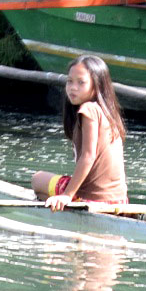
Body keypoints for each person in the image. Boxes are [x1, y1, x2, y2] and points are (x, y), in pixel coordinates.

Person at [32, 55, 127, 211]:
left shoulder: (88, 110)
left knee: (37, 179)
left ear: (97, 86)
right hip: (119, 201)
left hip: (94, 200)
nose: (72, 87)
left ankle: (65, 205)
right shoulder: (108, 112)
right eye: (69, 81)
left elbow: (88, 156)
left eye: (81, 82)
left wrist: (67, 195)